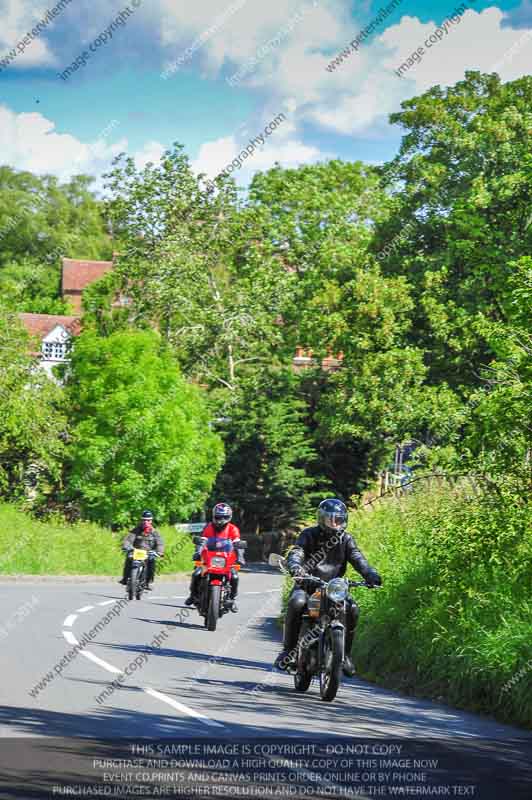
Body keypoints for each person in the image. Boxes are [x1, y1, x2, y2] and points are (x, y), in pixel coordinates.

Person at [274, 498, 381, 677]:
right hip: (308, 585)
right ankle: (288, 652)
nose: (334, 523)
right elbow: (297, 551)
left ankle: (345, 655)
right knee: (296, 602)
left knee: (353, 609)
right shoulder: (308, 534)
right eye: (329, 519)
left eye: (338, 519)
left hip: (334, 589)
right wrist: (295, 566)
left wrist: (370, 574)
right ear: (321, 518)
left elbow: (358, 558)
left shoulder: (346, 539)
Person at [184, 503, 243, 612]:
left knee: (234, 576)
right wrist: (197, 552)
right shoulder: (209, 527)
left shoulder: (233, 529)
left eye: (225, 517)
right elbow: (202, 541)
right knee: (196, 573)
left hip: (226, 558)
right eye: (219, 517)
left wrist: (240, 556)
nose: (221, 520)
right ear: (214, 516)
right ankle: (193, 595)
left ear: (229, 517)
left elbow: (237, 542)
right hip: (209, 557)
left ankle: (231, 599)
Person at [119, 510, 165, 590]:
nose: (146, 522)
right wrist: (127, 547)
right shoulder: (136, 530)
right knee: (128, 558)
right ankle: (125, 578)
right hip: (136, 552)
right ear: (141, 520)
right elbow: (128, 540)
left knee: (152, 562)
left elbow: (160, 543)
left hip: (148, 553)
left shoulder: (155, 532)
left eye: (148, 520)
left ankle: (148, 582)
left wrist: (159, 552)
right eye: (144, 520)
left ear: (151, 521)